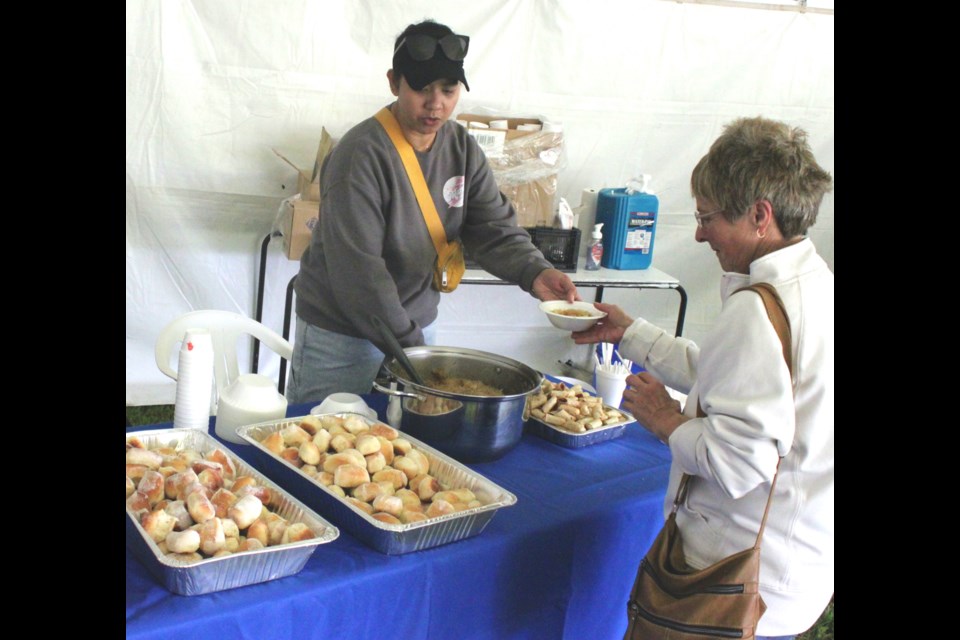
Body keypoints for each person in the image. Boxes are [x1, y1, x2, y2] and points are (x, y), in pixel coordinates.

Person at [573, 116, 833, 639]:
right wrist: (630, 334)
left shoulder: (757, 310)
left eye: (708, 217)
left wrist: (665, 419)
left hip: (736, 582)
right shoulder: (816, 285)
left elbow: (739, 463)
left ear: (760, 215)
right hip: (792, 573)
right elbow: (729, 376)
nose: (698, 234)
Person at [286, 19, 578, 404]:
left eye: (448, 89)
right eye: (421, 88)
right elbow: (360, 274)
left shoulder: (461, 148)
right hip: (343, 337)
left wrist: (535, 271)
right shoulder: (360, 155)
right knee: (320, 444)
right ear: (394, 83)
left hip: (415, 328)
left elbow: (492, 227)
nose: (436, 103)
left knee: (408, 445)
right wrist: (414, 350)